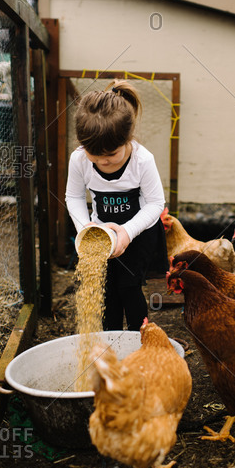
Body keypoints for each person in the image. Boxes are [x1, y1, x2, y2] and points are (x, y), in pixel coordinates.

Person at [65, 80, 168, 331]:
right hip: (101, 235)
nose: (103, 161)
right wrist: (85, 228)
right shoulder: (78, 159)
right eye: (94, 154)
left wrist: (127, 232)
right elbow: (74, 197)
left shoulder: (142, 161)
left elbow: (156, 203)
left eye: (111, 154)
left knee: (130, 288)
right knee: (107, 290)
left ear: (127, 139)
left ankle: (138, 342)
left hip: (139, 233)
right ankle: (108, 344)